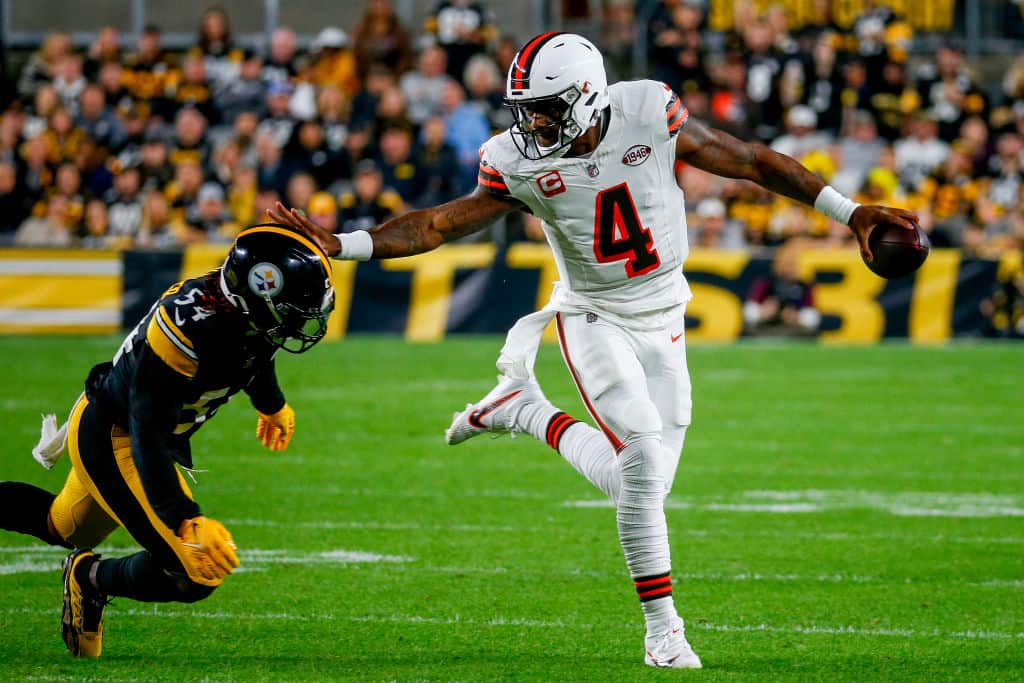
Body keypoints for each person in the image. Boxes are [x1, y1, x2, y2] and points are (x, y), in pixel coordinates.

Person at [268, 32, 916, 669]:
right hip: (592, 314)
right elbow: (439, 222)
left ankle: (524, 409)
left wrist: (849, 210)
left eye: (543, 108)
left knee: (644, 485)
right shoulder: (518, 160)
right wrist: (347, 242)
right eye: (524, 110)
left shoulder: (646, 112)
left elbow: (747, 160)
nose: (530, 123)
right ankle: (663, 631)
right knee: (637, 450)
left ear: (583, 97)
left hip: (666, 313)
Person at [0, 225, 335, 658]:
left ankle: (83, 573)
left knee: (60, 525)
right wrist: (183, 517)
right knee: (195, 568)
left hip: (138, 431)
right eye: (292, 309)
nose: (301, 321)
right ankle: (89, 578)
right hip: (115, 434)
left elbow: (257, 350)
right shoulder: (186, 329)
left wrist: (271, 404)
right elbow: (148, 434)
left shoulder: (242, 308)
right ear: (256, 292)